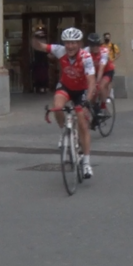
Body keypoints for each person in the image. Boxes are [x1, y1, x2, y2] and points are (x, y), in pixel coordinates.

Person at [32, 27, 97, 179]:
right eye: (67, 43)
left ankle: (86, 163)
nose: (70, 46)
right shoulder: (59, 50)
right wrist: (34, 37)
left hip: (81, 90)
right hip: (66, 87)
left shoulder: (86, 57)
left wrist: (87, 99)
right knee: (57, 107)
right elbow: (39, 46)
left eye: (73, 43)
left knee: (82, 124)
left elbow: (91, 80)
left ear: (79, 43)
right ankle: (64, 131)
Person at [86, 33, 115, 124]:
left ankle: (103, 107)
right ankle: (96, 113)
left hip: (107, 71)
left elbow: (101, 69)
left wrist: (96, 83)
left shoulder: (104, 51)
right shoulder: (85, 51)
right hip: (93, 72)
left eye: (97, 45)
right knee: (92, 94)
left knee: (101, 86)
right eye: (93, 45)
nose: (95, 47)